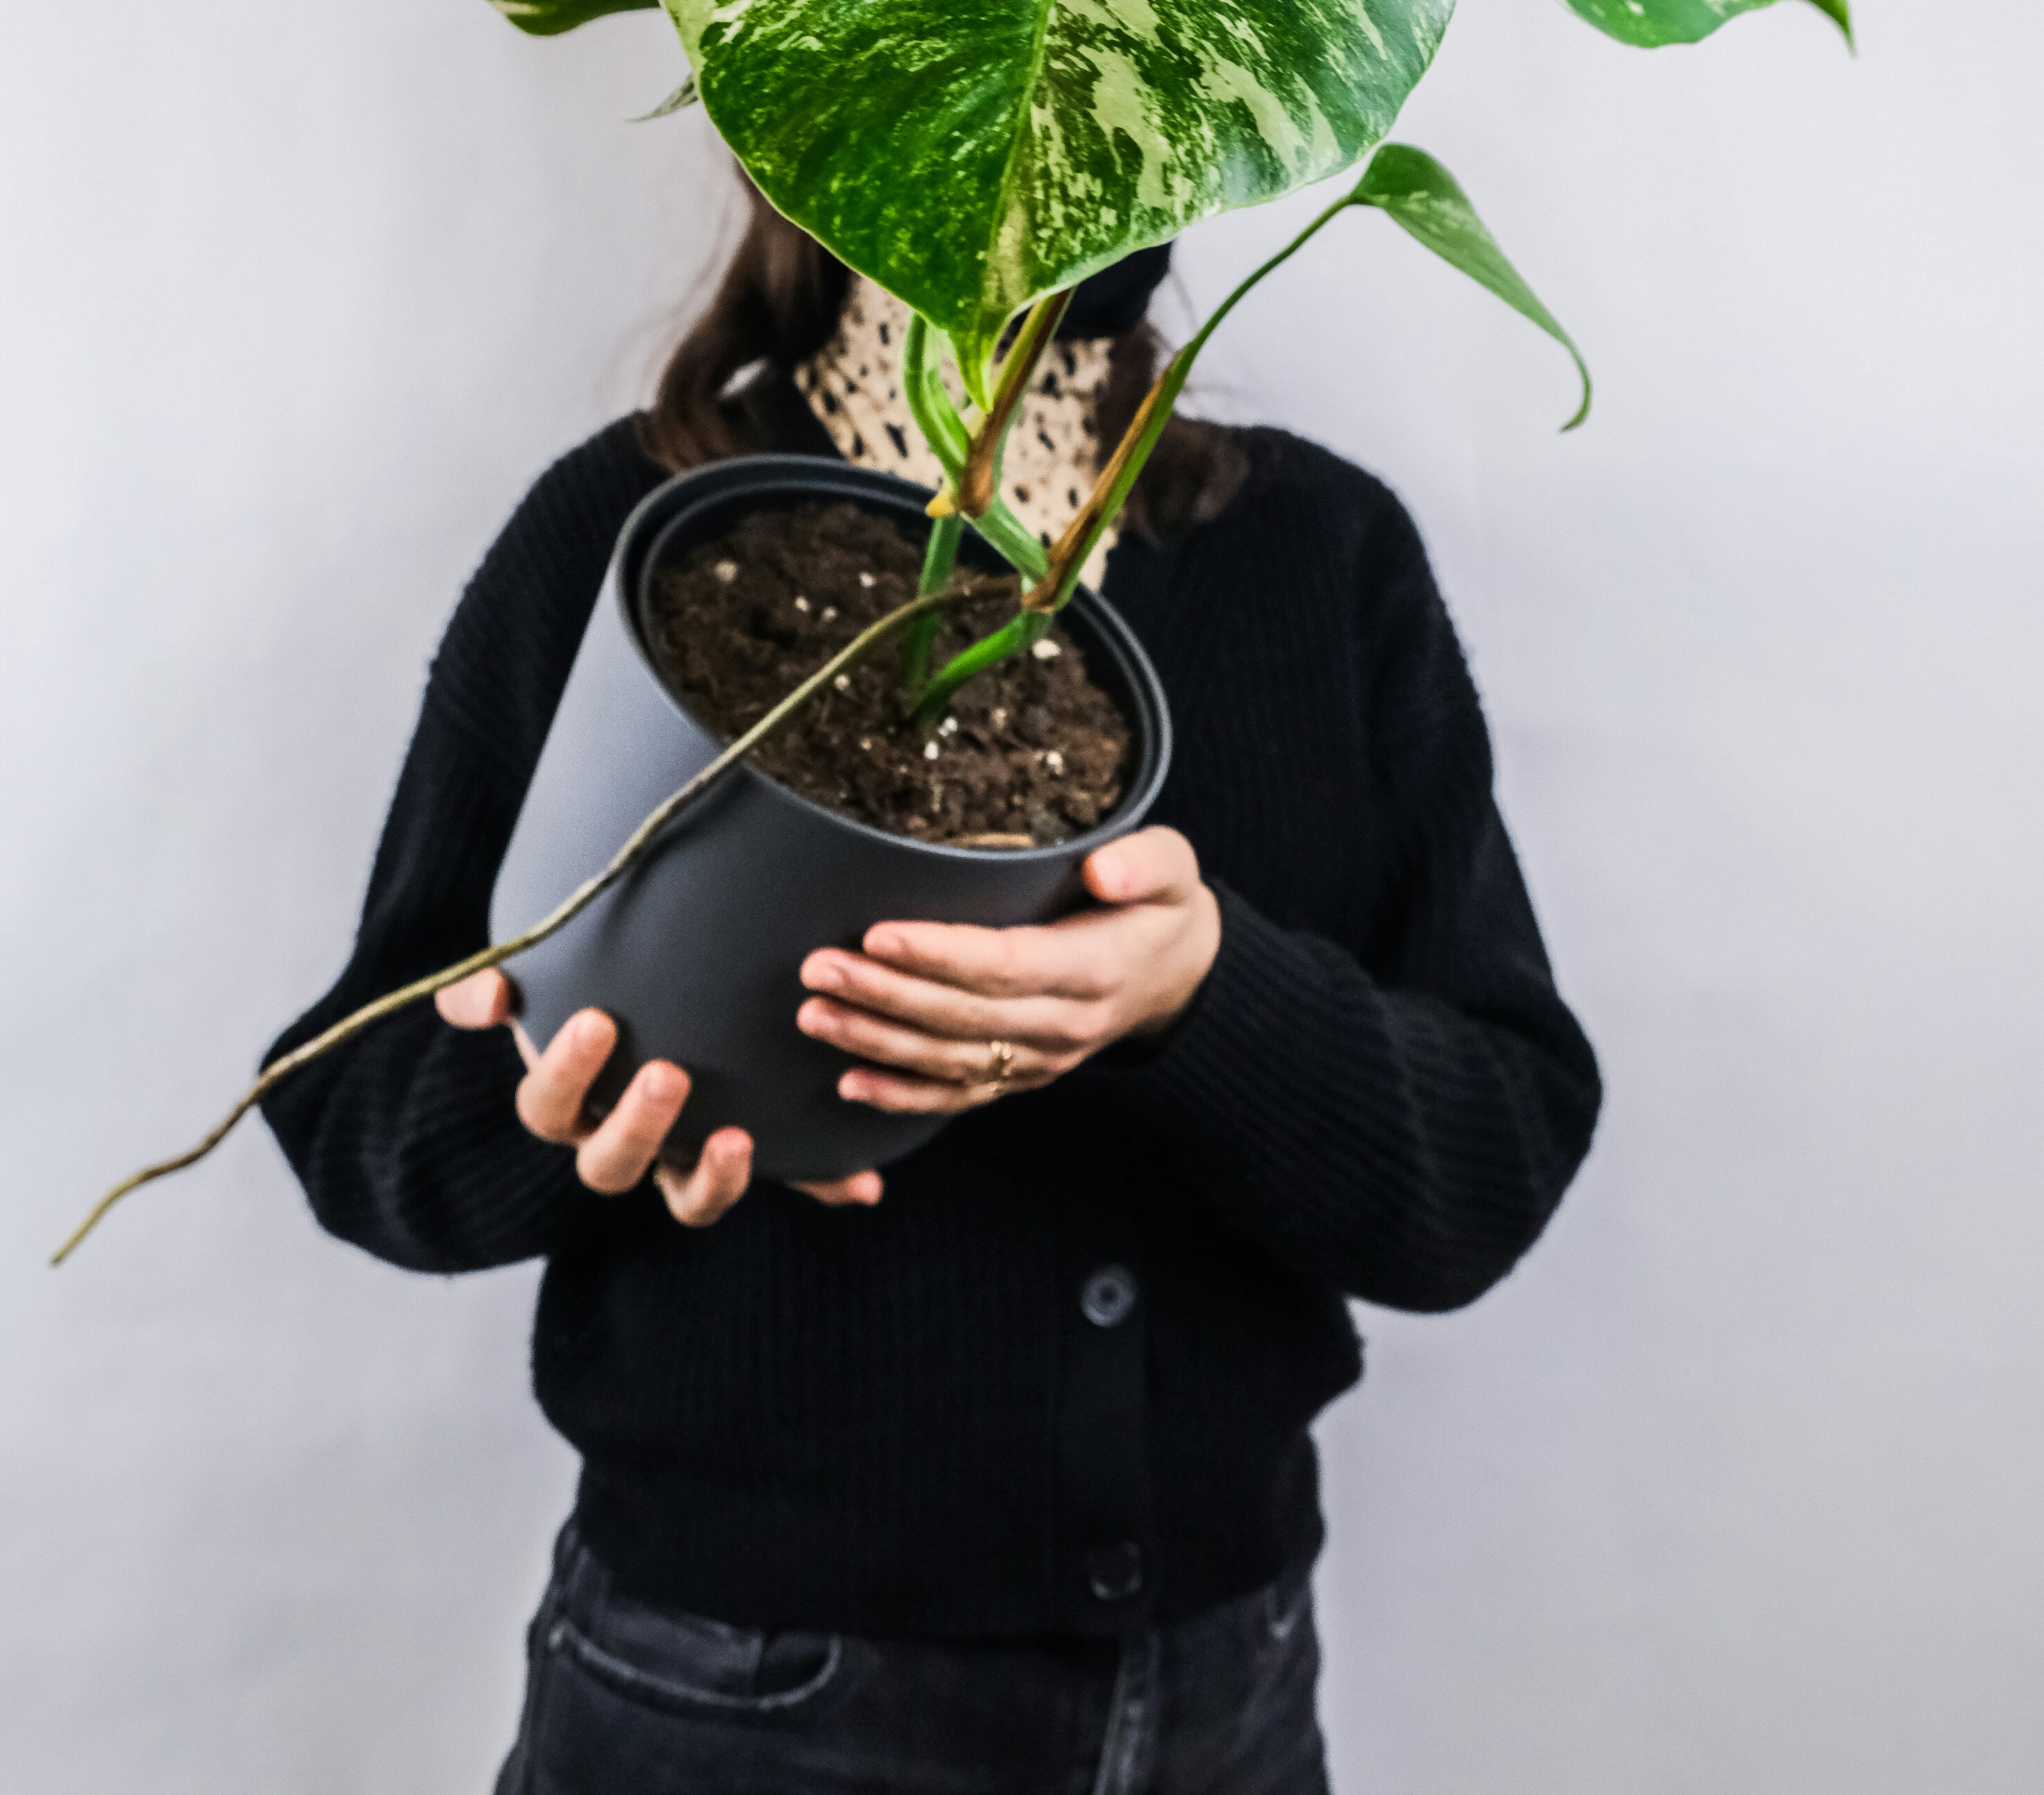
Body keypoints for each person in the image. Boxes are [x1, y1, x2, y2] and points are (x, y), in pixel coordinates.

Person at [263, 179, 1602, 1794]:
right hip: (742, 1695)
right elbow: (358, 1119)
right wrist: (570, 1085)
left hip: (1223, 1699)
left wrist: (1203, 998)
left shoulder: (1318, 555)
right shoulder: (640, 545)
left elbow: (1491, 1162)